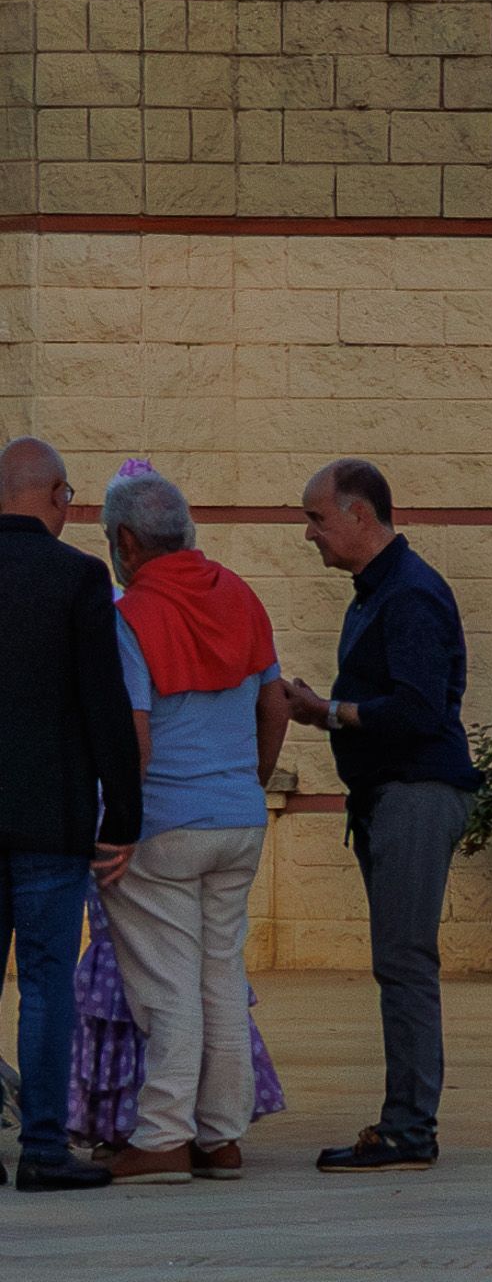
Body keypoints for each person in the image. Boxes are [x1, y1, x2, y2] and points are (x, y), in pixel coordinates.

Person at [278, 458, 467, 1173]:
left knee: (405, 963)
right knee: (400, 962)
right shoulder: (381, 591)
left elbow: (419, 711)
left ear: (360, 514)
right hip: (394, 794)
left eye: (315, 518)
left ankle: (410, 1131)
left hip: (415, 791)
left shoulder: (409, 595)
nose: (309, 536)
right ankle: (406, 1124)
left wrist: (327, 712)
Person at [92, 467, 273, 1177]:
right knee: (220, 976)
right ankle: (221, 1137)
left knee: (166, 985)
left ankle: (163, 1136)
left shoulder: (132, 613)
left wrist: (120, 828)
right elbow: (275, 705)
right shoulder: (243, 596)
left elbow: (133, 735)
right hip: (239, 820)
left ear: (128, 542)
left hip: (164, 822)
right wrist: (246, 784)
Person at [0, 439, 145, 1193]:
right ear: (55, 495)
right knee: (48, 983)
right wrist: (122, 815)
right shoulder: (78, 578)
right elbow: (104, 704)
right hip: (51, 821)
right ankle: (44, 1149)